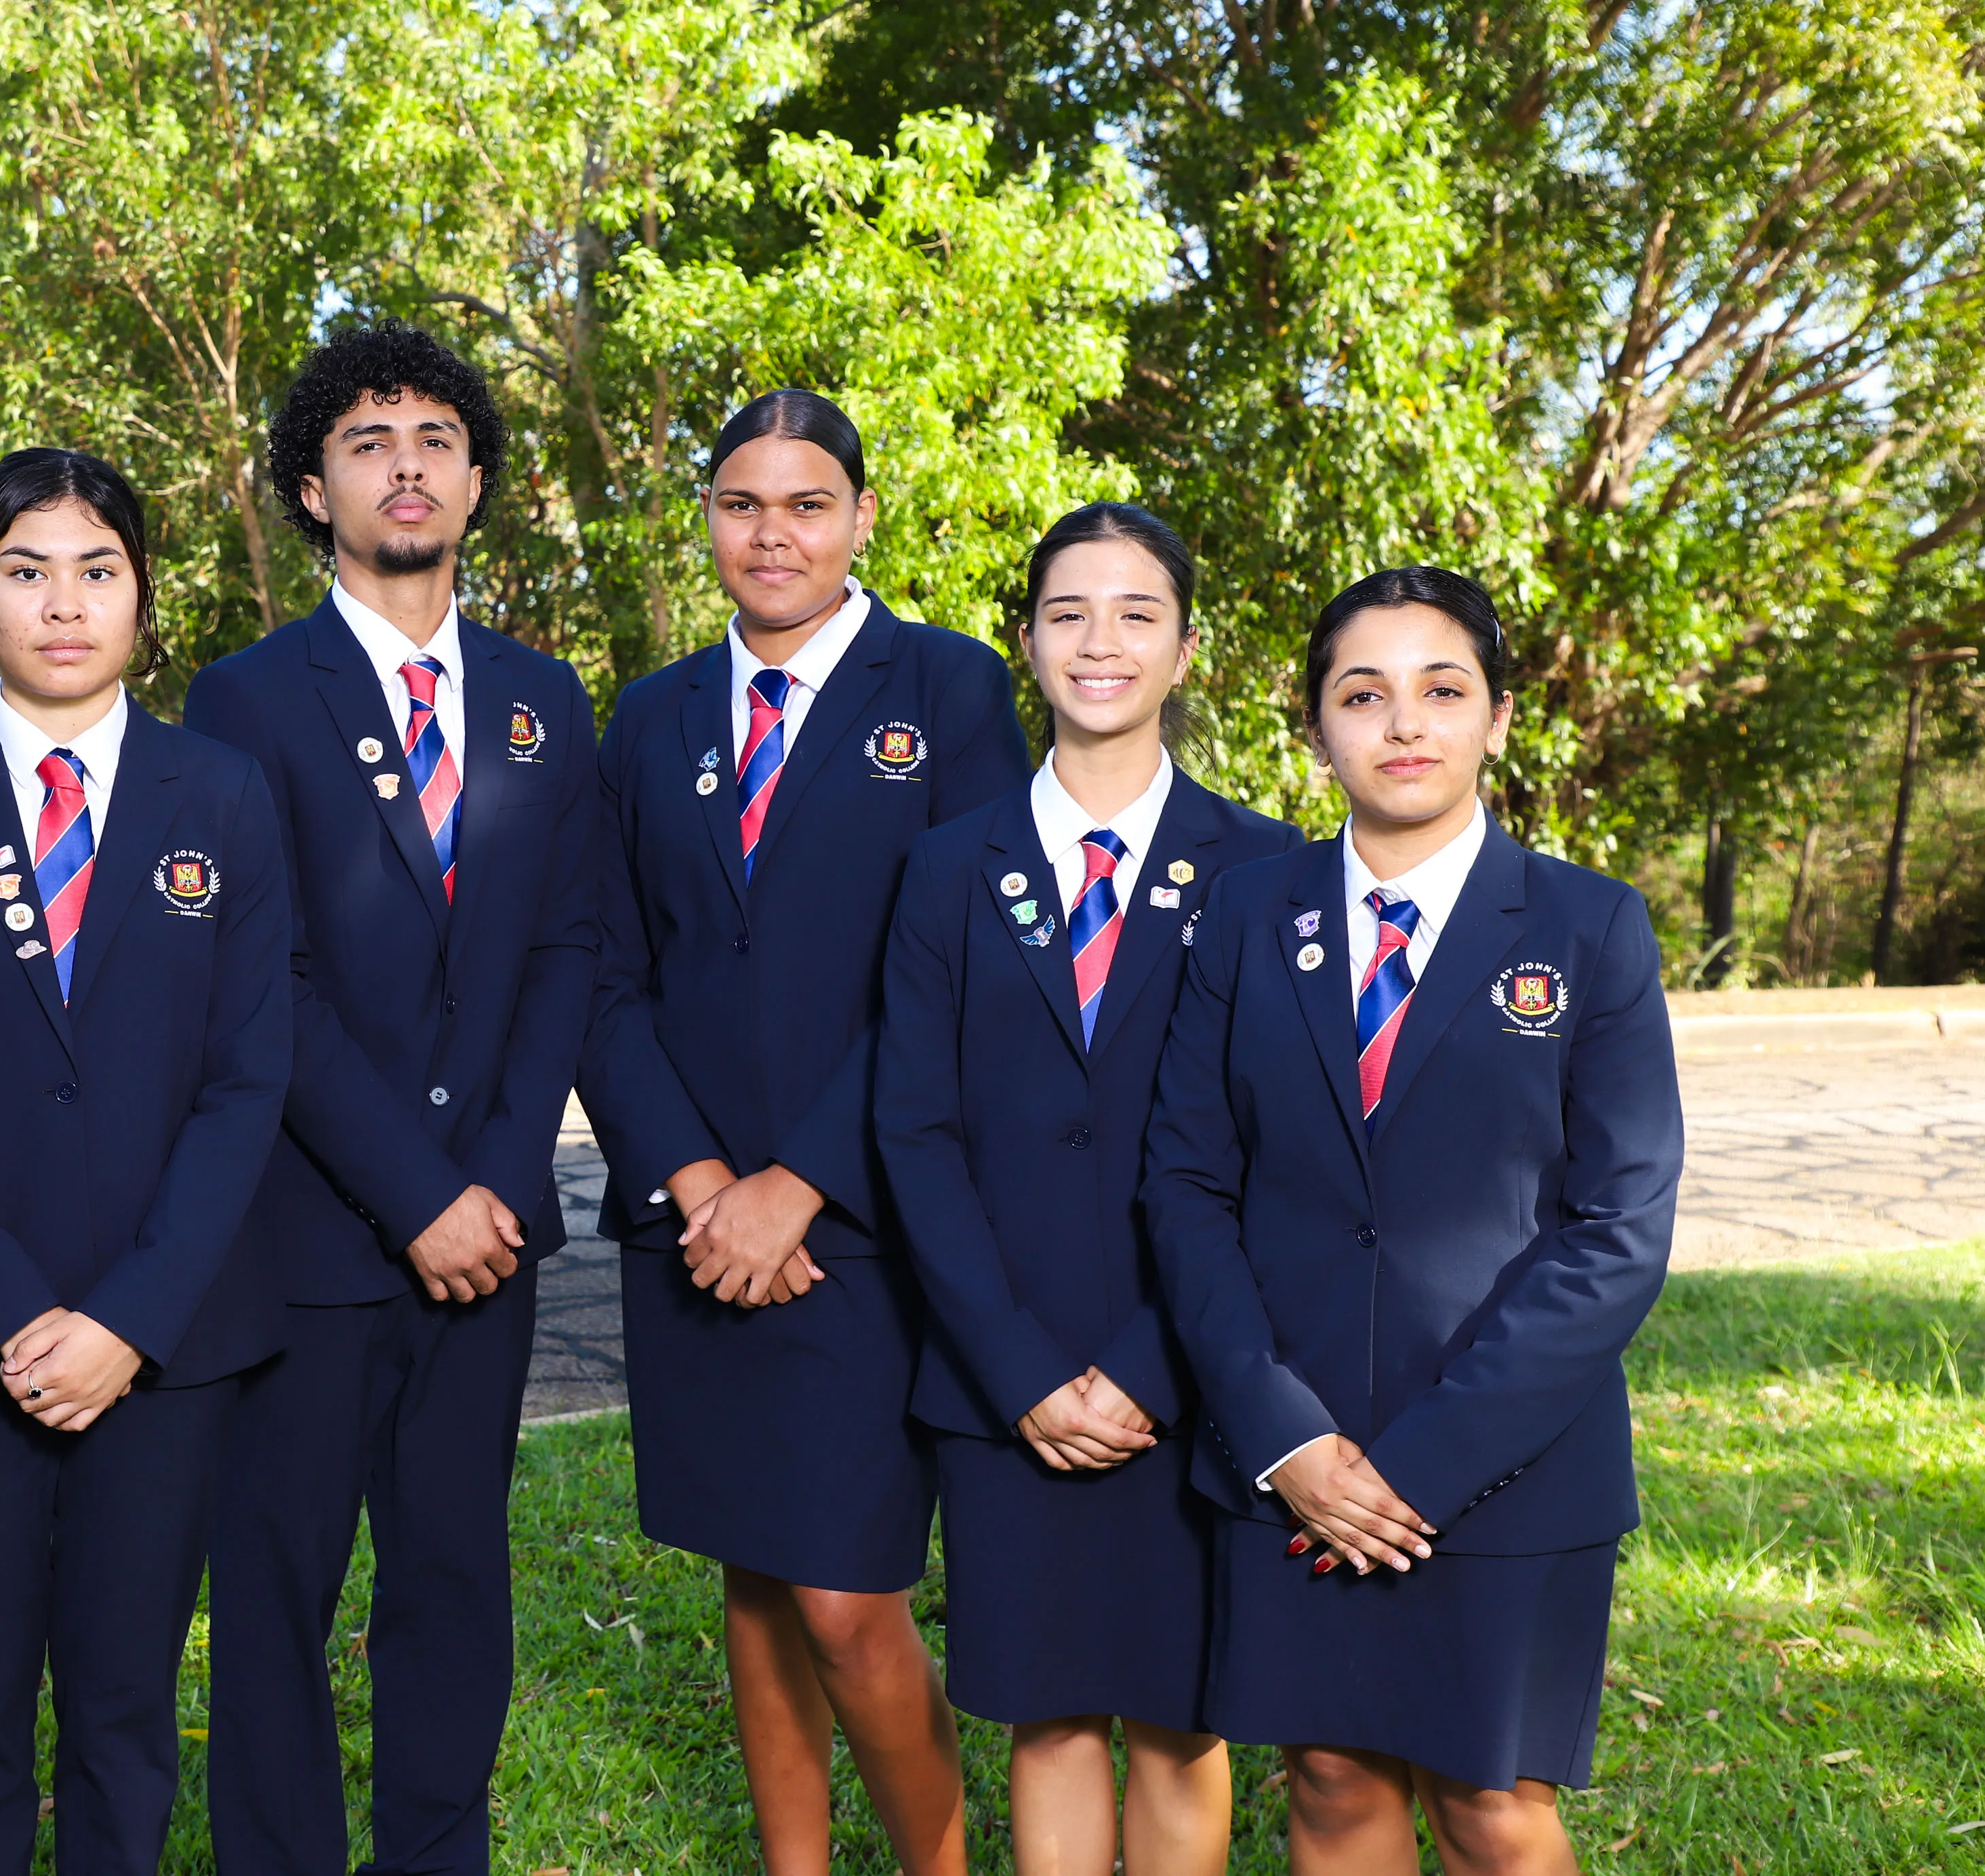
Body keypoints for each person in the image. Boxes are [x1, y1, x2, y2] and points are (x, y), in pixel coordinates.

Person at [1142, 567, 1683, 1875]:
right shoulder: (1247, 917)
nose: (1405, 725)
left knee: (1491, 1809)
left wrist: (1422, 1466)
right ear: (1315, 726)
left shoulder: (1589, 925)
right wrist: (1285, 1442)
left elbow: (1618, 1229)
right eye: (1363, 694)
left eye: (1443, 692)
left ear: (1498, 717)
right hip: (1297, 1446)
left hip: (1506, 1458)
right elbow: (1187, 1184)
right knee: (1327, 1780)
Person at [582, 388, 1028, 1876]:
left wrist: (800, 1183)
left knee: (846, 1597)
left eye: (806, 504)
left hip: (865, 1225)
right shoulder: (645, 717)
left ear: (861, 519)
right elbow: (609, 969)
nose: (771, 535)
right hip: (695, 1229)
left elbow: (965, 970)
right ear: (707, 517)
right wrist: (705, 1182)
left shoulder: (952, 690)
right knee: (757, 1577)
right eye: (739, 504)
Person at [0, 449, 292, 1874]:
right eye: (26, 569)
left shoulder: (221, 792)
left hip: (166, 1347)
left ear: (144, 598)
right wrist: (12, 1316)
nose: (63, 603)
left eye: (98, 569)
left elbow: (247, 1081)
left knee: (124, 1710)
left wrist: (125, 1324)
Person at [182, 319, 598, 1876]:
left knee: (450, 1586)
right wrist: (410, 1193)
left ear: (477, 477)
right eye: (367, 442)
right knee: (276, 1593)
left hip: (486, 1239)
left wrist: (485, 1177)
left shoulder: (545, 702)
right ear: (310, 490)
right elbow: (261, 981)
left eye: (433, 436)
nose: (405, 463)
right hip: (303, 1241)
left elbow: (566, 947)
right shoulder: (242, 705)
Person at [878, 502, 1298, 1876]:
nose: (1099, 641)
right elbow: (915, 1133)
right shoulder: (947, 865)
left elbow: (1267, 1148)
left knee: (1180, 1723)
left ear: (1186, 650)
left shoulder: (1267, 873)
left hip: (1188, 1370)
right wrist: (1013, 1369)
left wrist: (1154, 1369)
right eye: (1068, 613)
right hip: (1006, 1376)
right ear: (1025, 644)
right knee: (1046, 1716)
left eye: (1136, 614)